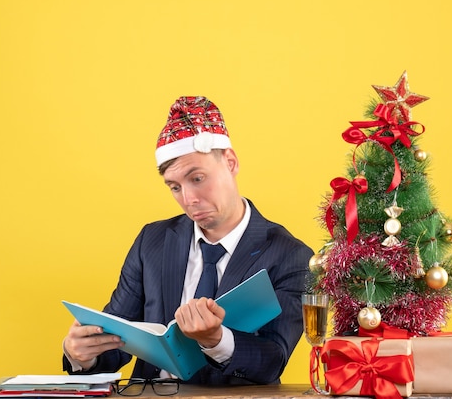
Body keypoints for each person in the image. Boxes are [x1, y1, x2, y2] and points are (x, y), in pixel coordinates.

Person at [62, 96, 313, 385]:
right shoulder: (152, 241)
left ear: (230, 163)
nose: (189, 200)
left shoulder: (290, 255)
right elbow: (116, 337)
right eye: (175, 187)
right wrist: (83, 354)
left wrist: (216, 340)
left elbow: (273, 360)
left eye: (197, 178)